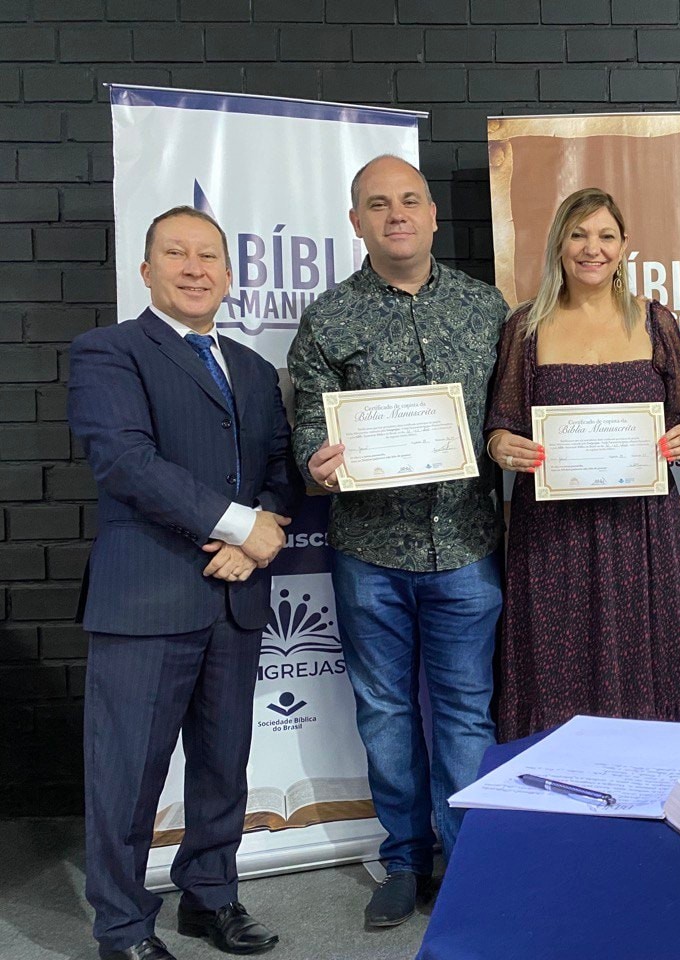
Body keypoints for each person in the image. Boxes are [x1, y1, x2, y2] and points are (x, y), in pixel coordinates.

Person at [68, 206, 299, 960]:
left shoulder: (254, 371)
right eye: (176, 253)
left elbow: (278, 471)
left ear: (230, 276)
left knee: (223, 766)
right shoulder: (109, 352)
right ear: (146, 270)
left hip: (234, 596)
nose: (194, 268)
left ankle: (210, 896)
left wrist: (254, 542)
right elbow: (124, 462)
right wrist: (239, 526)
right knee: (127, 776)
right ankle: (123, 927)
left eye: (208, 257)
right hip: (145, 595)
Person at [287, 156, 507, 927]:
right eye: (378, 205)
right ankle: (406, 860)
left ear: (433, 215)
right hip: (369, 553)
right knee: (384, 712)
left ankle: (468, 863)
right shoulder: (328, 318)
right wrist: (316, 461)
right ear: (357, 223)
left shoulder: (487, 309)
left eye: (409, 200)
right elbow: (308, 426)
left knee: (466, 714)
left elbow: (508, 414)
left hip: (468, 545)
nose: (396, 214)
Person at [485, 187, 680, 741]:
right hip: (552, 533)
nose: (592, 248)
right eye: (578, 234)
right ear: (559, 244)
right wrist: (501, 445)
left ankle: (650, 777)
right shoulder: (526, 326)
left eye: (606, 236)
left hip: (641, 531)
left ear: (624, 245)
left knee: (644, 658)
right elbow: (501, 423)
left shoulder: (655, 321)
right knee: (555, 664)